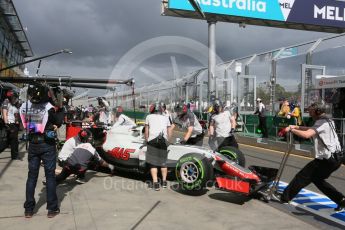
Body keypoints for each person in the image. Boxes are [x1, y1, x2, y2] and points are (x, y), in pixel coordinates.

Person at [280, 102, 345, 212]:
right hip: (336, 158)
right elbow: (312, 129)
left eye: (311, 110)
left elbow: (307, 134)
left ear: (318, 111)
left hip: (326, 160)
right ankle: (341, 200)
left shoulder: (321, 122)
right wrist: (296, 126)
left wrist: (291, 129)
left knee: (302, 177)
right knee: (317, 180)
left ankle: (285, 198)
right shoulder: (328, 120)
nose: (309, 112)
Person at [21, 84, 64, 218]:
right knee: (50, 176)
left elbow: (22, 121)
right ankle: (52, 209)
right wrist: (61, 108)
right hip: (47, 144)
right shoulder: (48, 107)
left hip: (32, 143)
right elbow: (58, 121)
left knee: (31, 177)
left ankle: (28, 209)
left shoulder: (24, 106)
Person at [145, 103, 171, 191]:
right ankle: (164, 182)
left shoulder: (149, 117)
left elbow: (146, 130)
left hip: (152, 140)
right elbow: (169, 131)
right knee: (163, 162)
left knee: (153, 163)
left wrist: (146, 140)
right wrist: (168, 141)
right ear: (161, 109)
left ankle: (155, 183)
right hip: (163, 140)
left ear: (153, 109)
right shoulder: (166, 117)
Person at [1, 90, 20, 160]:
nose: (15, 98)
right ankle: (15, 156)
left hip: (14, 124)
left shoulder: (14, 103)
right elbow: (4, 113)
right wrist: (6, 124)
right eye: (14, 97)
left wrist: (17, 121)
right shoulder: (6, 102)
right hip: (9, 124)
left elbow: (15, 113)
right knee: (12, 141)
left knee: (13, 140)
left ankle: (15, 155)